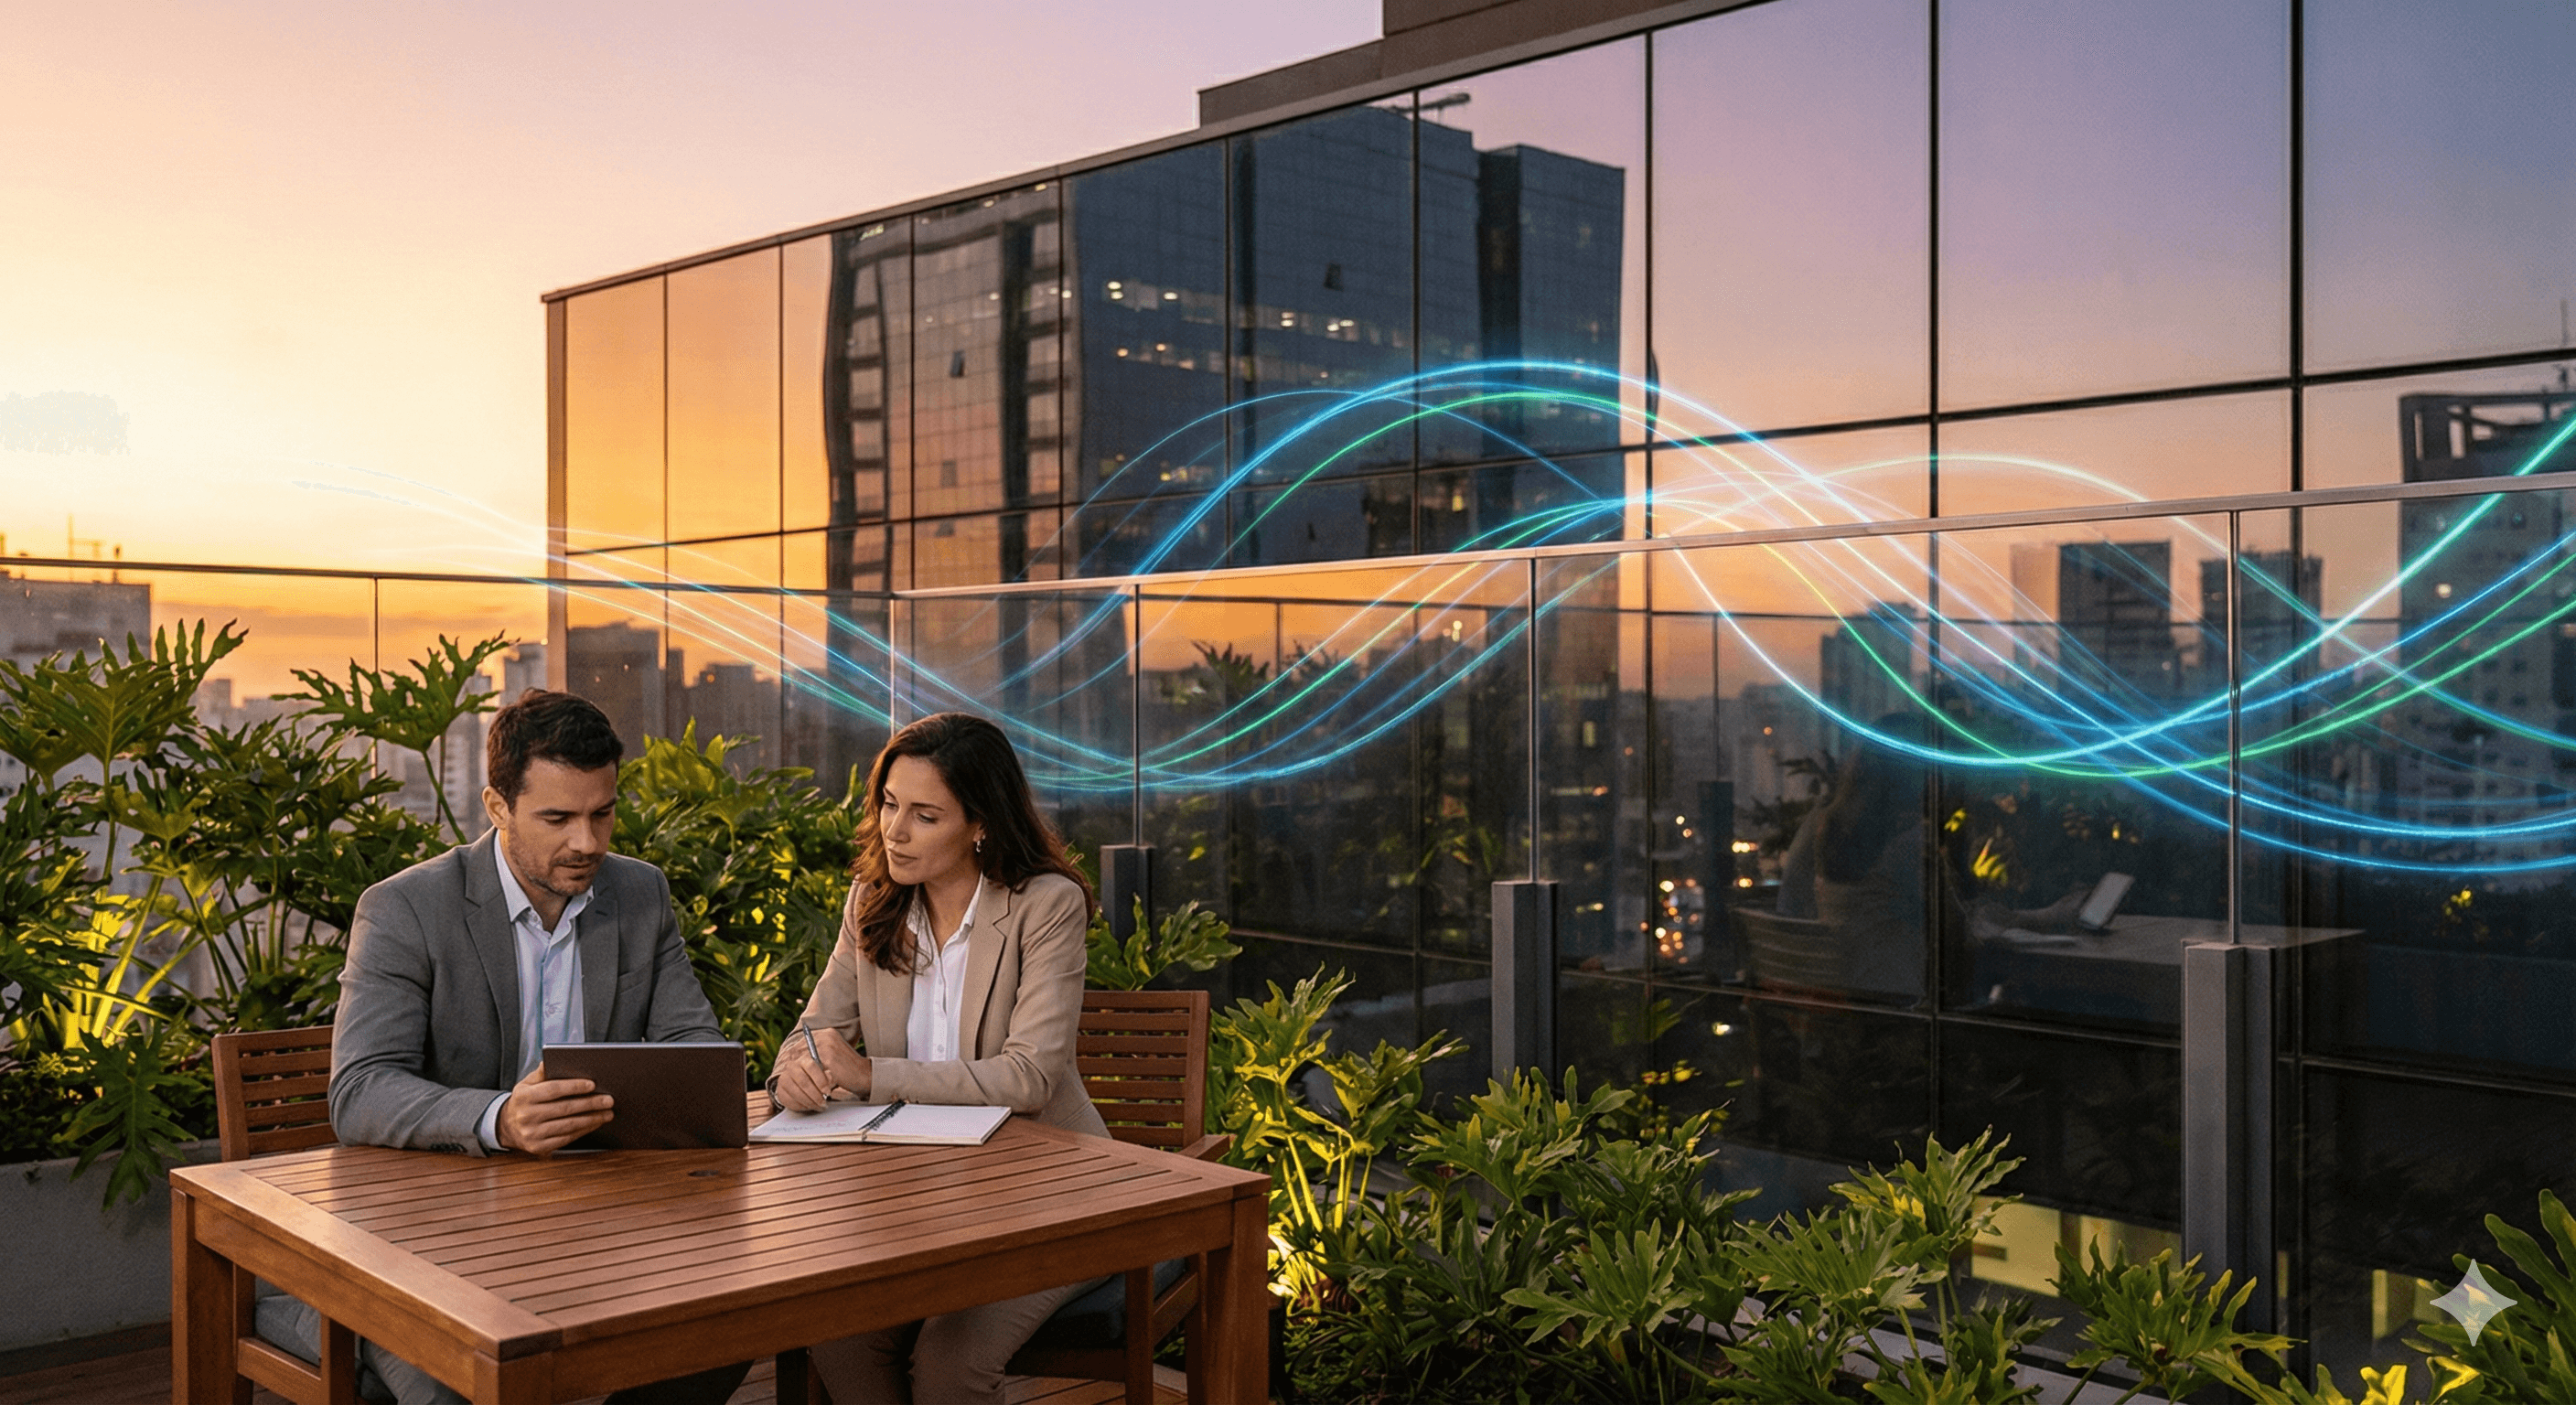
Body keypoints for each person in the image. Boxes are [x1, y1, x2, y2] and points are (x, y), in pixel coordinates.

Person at [260, 690, 751, 1405]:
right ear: (497, 807)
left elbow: (693, 1044)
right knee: (449, 1383)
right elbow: (360, 1089)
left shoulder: (640, 894)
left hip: (591, 1218)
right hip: (425, 1237)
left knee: (727, 1321)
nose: (587, 842)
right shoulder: (406, 908)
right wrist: (499, 1118)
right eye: (558, 818)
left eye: (602, 813)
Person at [771, 711, 1107, 1405]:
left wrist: (869, 1076)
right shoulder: (873, 902)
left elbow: (1030, 1076)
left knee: (950, 1369)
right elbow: (811, 1033)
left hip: (1048, 1196)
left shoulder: (1046, 905)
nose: (895, 831)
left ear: (980, 823)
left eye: (925, 815)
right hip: (914, 1198)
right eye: (889, 805)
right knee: (836, 1332)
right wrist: (795, 1073)